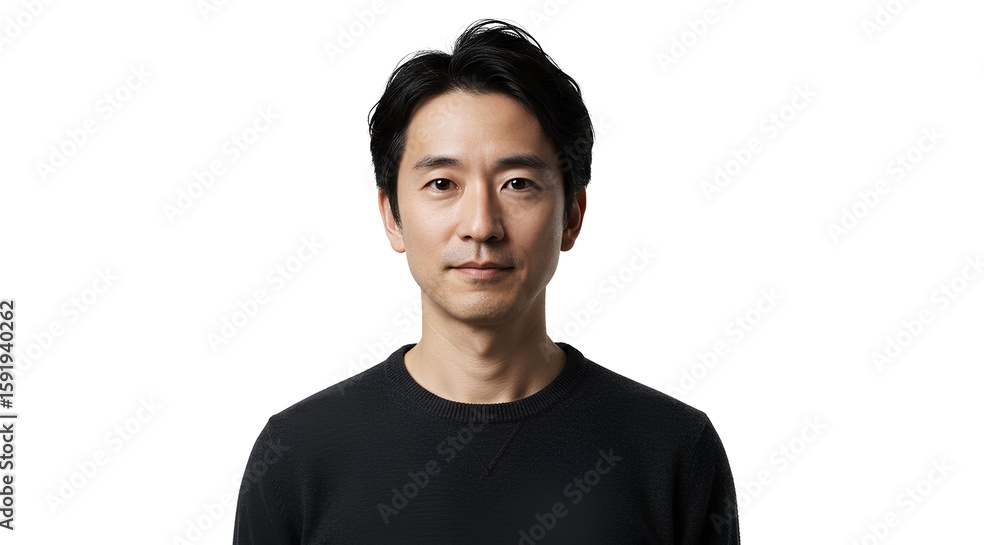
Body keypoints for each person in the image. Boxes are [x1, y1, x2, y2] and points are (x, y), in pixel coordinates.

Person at [233, 18, 740, 544]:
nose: (481, 225)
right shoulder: (297, 455)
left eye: (517, 183)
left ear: (571, 216)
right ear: (391, 216)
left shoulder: (673, 450)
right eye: (442, 183)